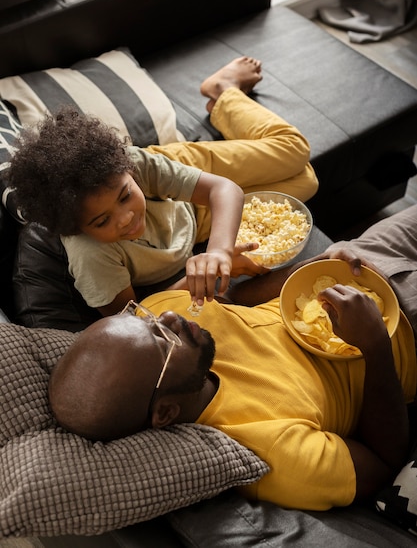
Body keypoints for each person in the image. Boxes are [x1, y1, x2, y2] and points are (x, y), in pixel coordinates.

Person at [48, 204, 417, 512]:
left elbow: (239, 301)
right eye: (162, 339)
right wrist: (375, 346)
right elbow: (384, 462)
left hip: (363, 257)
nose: (170, 317)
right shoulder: (272, 452)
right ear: (165, 412)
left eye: (138, 316)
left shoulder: (161, 313)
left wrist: (319, 264)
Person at [8, 56, 318, 316]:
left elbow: (223, 190)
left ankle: (224, 91)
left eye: (125, 196)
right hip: (194, 223)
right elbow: (133, 320)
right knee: (306, 181)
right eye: (102, 221)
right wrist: (201, 276)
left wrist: (219, 253)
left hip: (189, 174)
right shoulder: (91, 257)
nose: (125, 217)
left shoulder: (133, 165)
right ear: (77, 228)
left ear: (128, 172)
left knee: (293, 150)